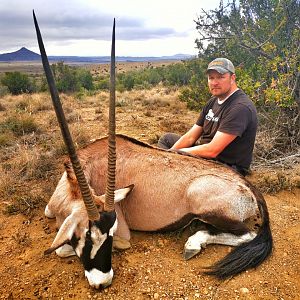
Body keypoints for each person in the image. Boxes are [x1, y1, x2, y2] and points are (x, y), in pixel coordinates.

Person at [158, 57, 257, 176]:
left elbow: (212, 150)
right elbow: (190, 137)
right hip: (206, 158)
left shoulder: (240, 107)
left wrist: (176, 154)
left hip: (226, 167)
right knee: (167, 139)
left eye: (220, 77)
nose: (215, 82)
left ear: (232, 78)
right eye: (211, 78)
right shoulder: (213, 101)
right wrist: (169, 155)